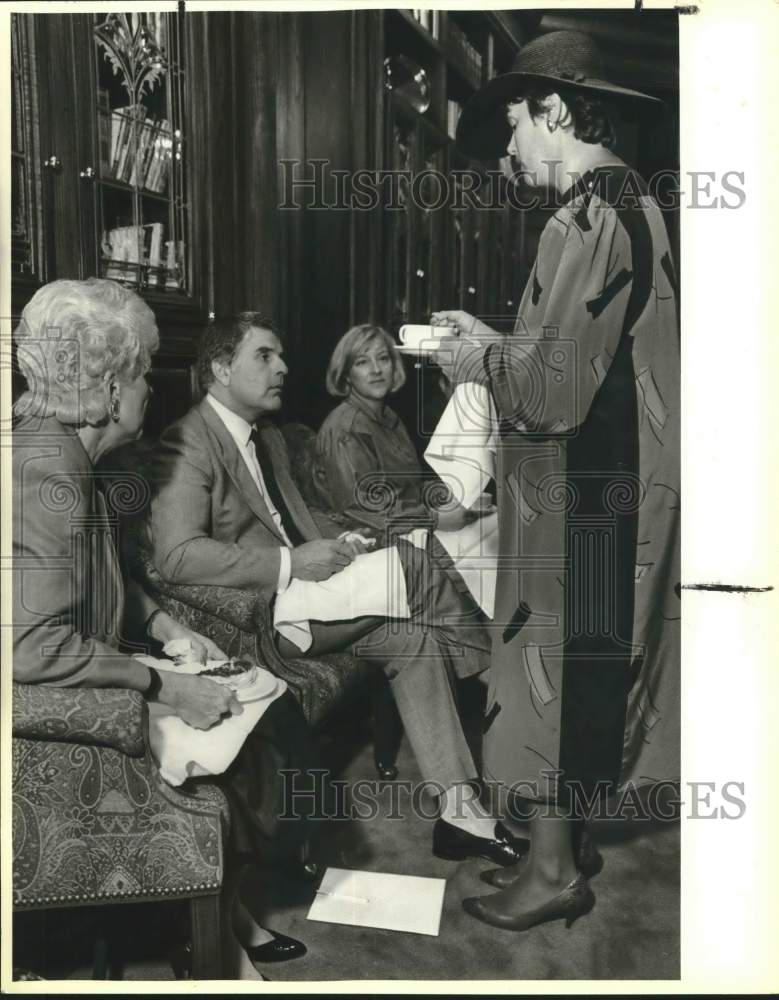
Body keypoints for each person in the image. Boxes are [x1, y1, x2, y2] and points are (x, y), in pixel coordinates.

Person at [431, 29, 681, 931]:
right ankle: (556, 850)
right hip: (597, 489)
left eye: (515, 126)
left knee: (565, 673)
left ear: (558, 112)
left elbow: (554, 389)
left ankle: (553, 871)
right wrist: (497, 342)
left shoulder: (586, 215)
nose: (508, 150)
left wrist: (473, 361)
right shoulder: (627, 203)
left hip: (583, 499)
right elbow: (576, 359)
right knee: (573, 669)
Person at [11, 279, 311, 977]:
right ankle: (211, 935)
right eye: (145, 371)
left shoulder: (62, 455)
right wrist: (163, 685)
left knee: (252, 708)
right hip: (44, 721)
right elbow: (31, 647)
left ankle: (219, 917)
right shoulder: (43, 474)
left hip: (78, 680)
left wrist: (170, 623)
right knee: (246, 739)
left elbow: (109, 578)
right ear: (112, 389)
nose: (151, 388)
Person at [149, 312, 526, 866]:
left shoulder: (267, 434)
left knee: (413, 642)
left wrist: (340, 537)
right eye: (265, 356)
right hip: (264, 613)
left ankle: (461, 815)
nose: (282, 367)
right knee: (419, 568)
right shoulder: (187, 441)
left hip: (309, 594)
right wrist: (289, 561)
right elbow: (176, 556)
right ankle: (509, 707)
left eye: (280, 355)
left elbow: (296, 516)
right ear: (221, 368)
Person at [313, 323, 475, 539]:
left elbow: (406, 487)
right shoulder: (345, 429)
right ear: (346, 375)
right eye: (362, 362)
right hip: (362, 542)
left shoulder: (389, 416)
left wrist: (446, 494)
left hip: (401, 532)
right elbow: (361, 509)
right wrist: (433, 519)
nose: (376, 370)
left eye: (383, 358)